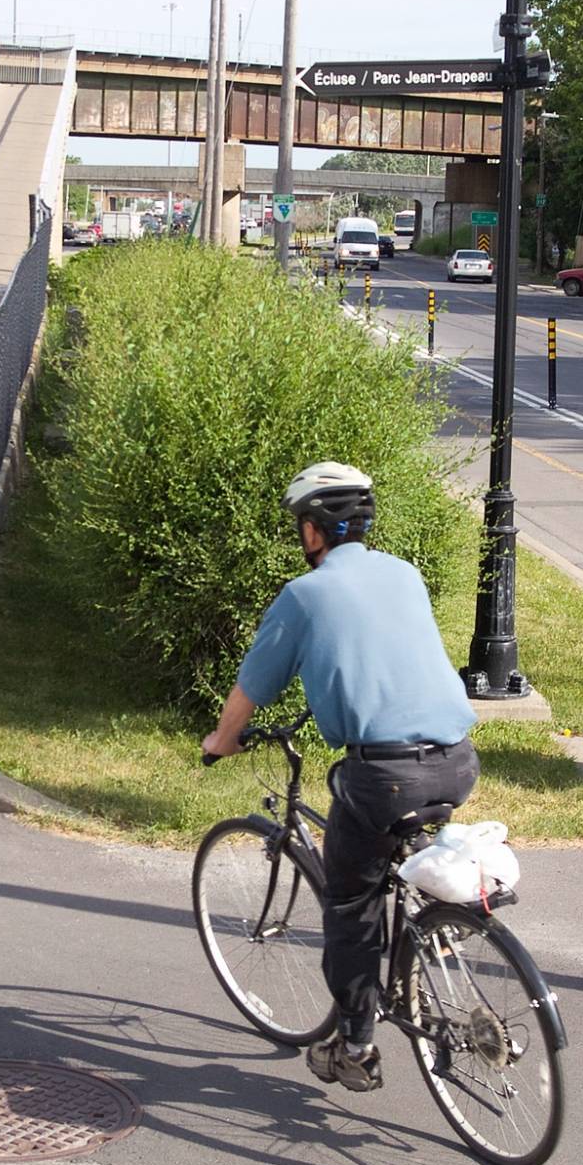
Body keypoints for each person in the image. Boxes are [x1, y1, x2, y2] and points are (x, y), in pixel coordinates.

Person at [202, 462, 478, 1093]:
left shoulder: (305, 595)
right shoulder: (403, 574)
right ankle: (431, 939)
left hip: (383, 773)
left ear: (314, 529)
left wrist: (222, 741)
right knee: (400, 860)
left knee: (350, 903)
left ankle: (355, 1045)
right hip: (457, 758)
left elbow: (254, 684)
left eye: (301, 525)